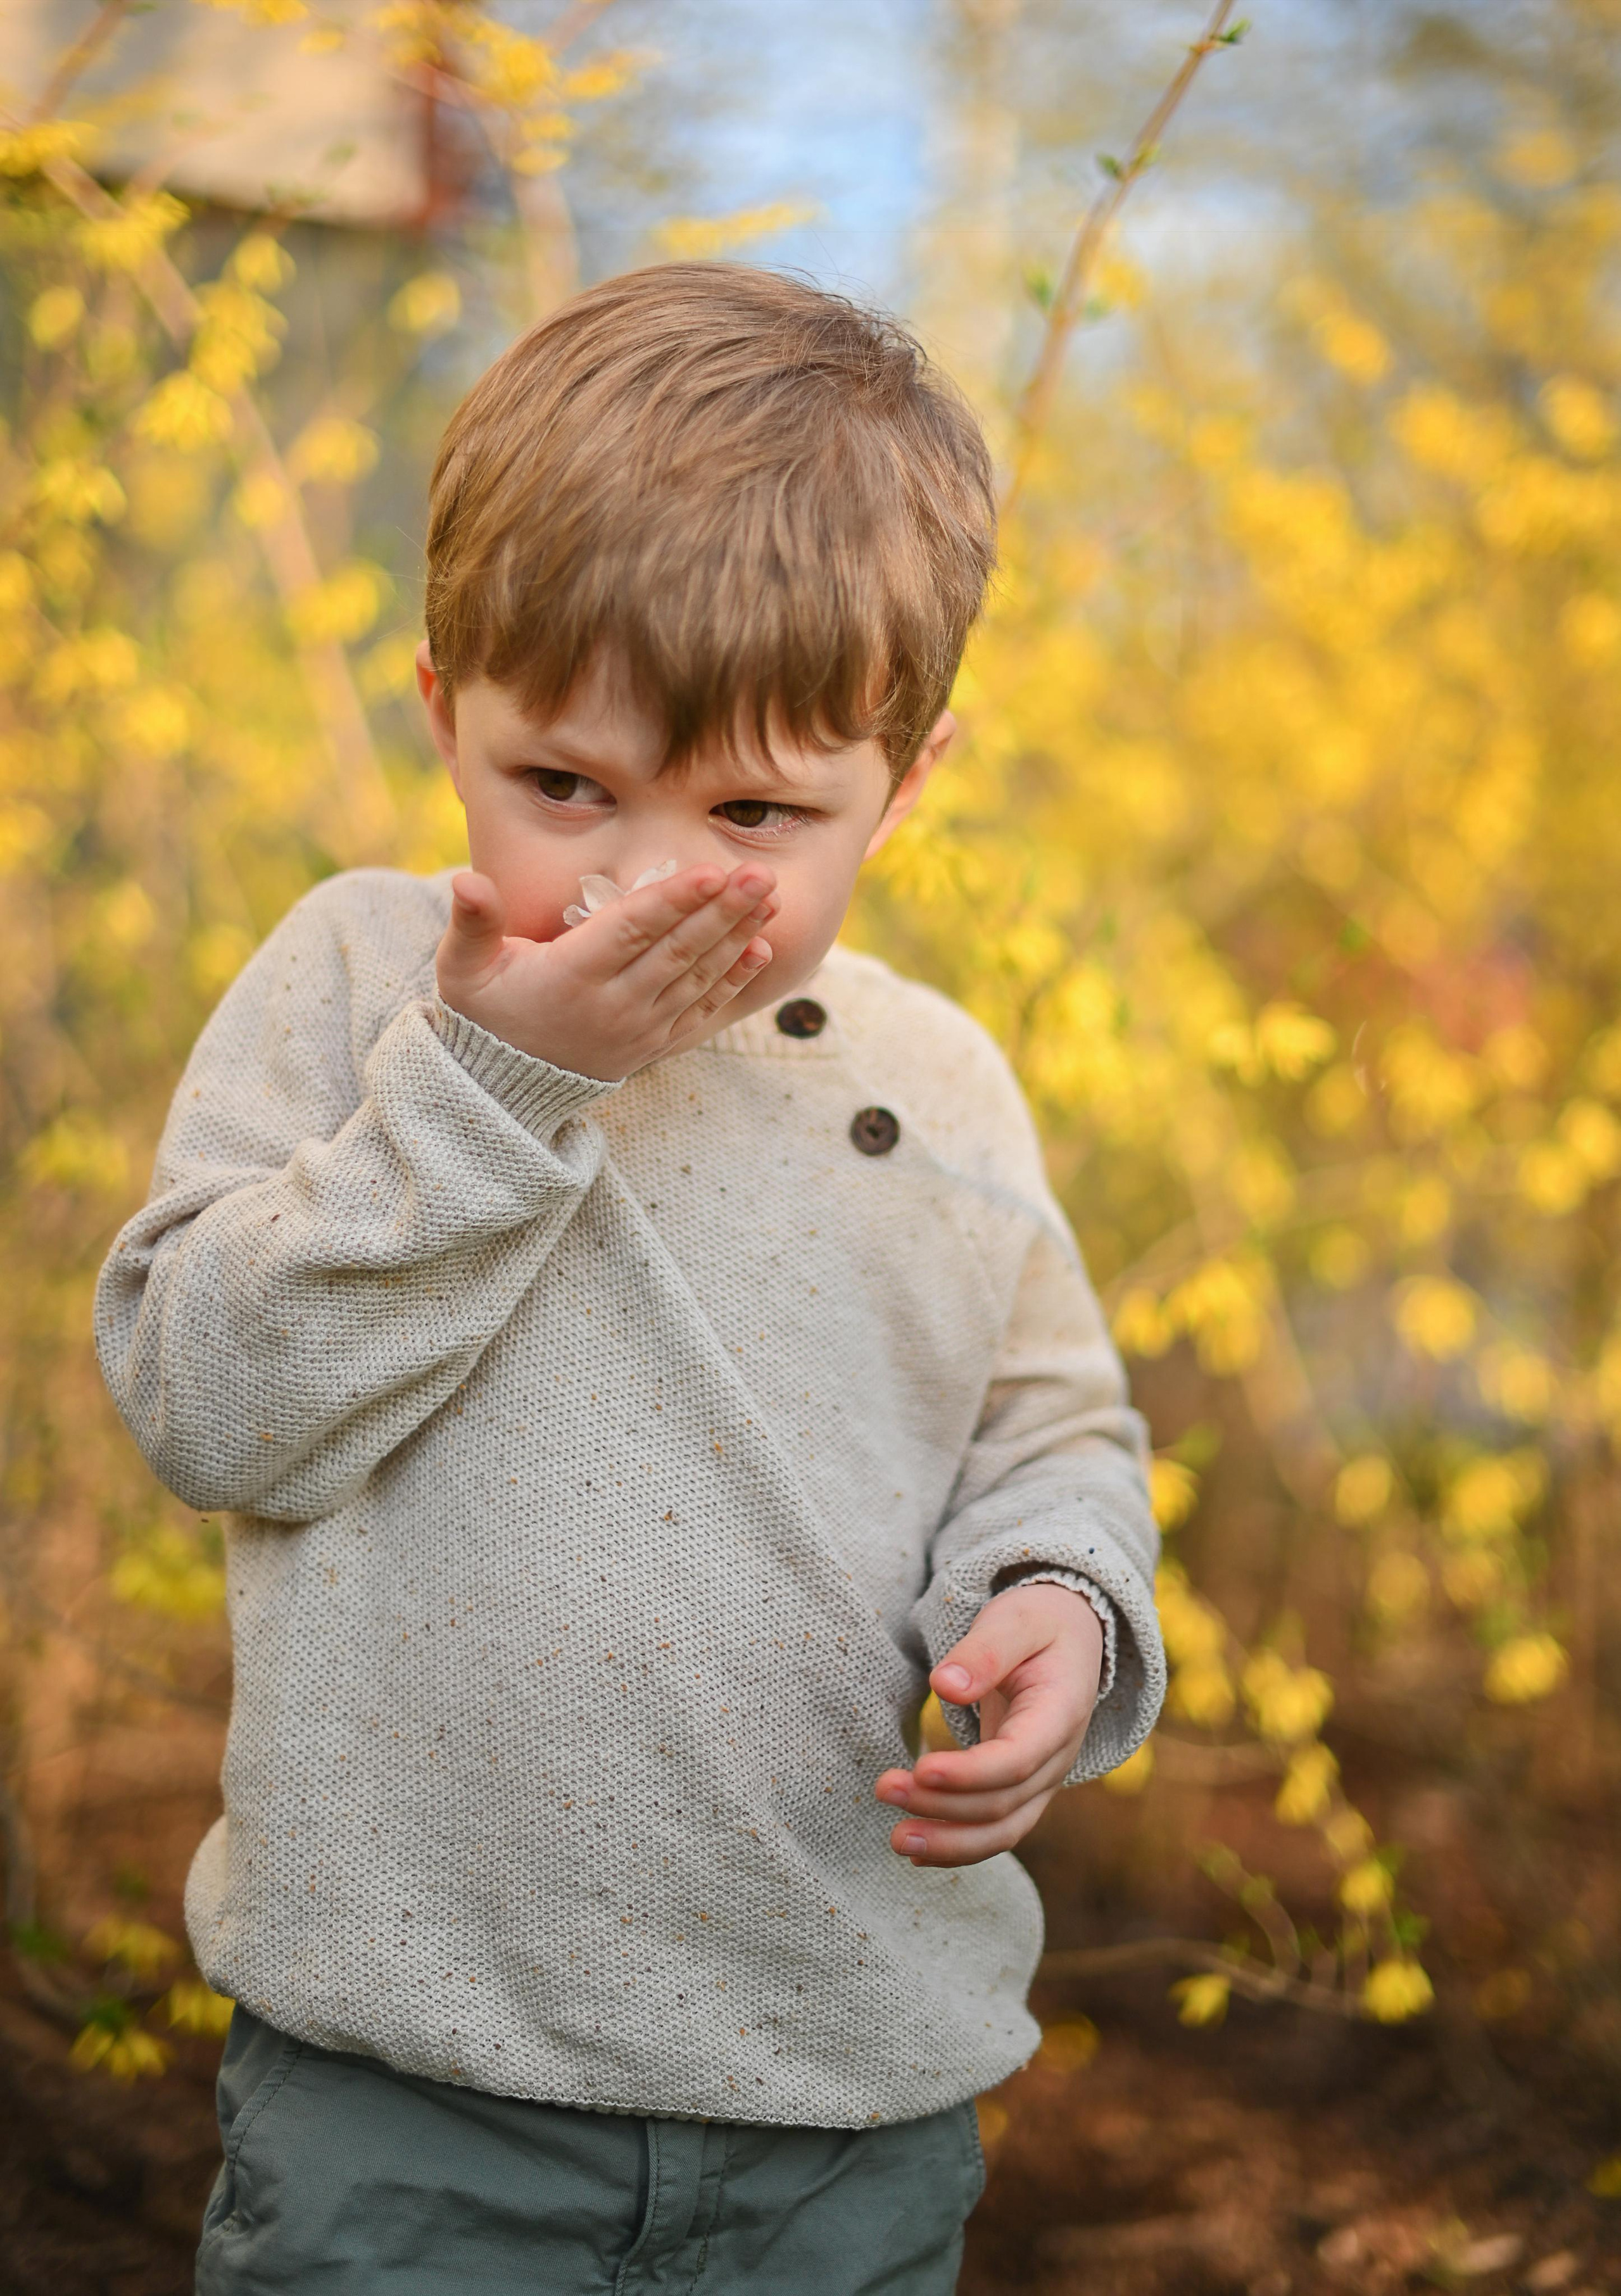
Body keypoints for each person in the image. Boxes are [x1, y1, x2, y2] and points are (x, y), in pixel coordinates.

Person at [95, 262, 1164, 2295]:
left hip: (846, 2099)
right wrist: (505, 1079)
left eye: (756, 813)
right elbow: (210, 1399)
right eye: (563, 785)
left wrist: (1062, 1605)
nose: (640, 878)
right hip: (414, 2096)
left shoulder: (939, 1082)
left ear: (909, 780)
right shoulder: (357, 985)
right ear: (445, 708)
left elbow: (1049, 1428)